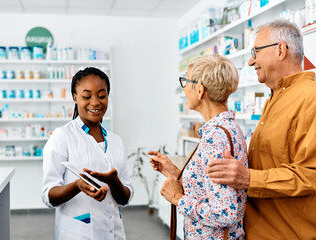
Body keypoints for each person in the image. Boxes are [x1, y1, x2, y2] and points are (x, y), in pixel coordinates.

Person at [207, 20, 316, 239]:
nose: (251, 61)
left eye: (256, 52)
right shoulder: (275, 98)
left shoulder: (313, 100)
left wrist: (249, 179)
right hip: (261, 230)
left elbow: (312, 174)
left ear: (280, 50)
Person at [149, 55, 248, 239]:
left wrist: (178, 199)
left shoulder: (216, 138)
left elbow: (224, 213)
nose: (184, 87)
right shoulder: (227, 128)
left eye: (185, 81)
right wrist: (174, 172)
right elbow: (209, 189)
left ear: (200, 90)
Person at [41, 67, 133, 240]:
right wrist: (77, 186)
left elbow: (125, 198)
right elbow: (48, 196)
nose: (95, 102)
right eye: (86, 96)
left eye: (101, 95)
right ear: (75, 98)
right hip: (76, 234)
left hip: (114, 233)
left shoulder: (116, 141)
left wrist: (115, 183)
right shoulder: (62, 137)